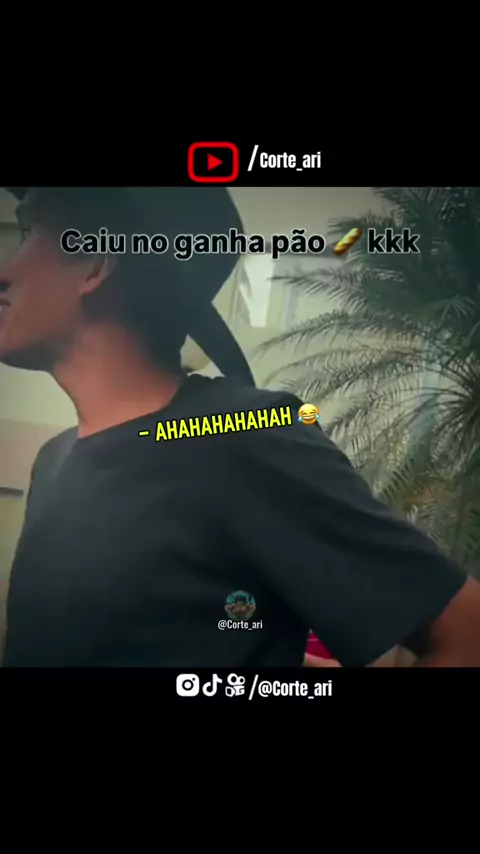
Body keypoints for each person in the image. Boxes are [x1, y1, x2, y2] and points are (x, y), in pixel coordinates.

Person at [1, 186, 479, 668]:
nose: (4, 269)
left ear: (95, 263)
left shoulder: (241, 436)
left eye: (27, 232)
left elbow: (468, 634)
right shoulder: (54, 458)